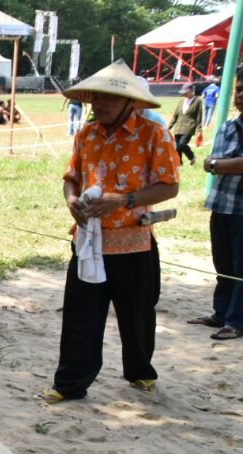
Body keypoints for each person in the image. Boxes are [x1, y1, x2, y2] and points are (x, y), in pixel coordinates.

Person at [42, 61, 179, 403]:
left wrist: (126, 200)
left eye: (108, 99)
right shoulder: (86, 134)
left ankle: (140, 370)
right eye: (95, 99)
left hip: (133, 242)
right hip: (88, 240)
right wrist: (72, 199)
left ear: (130, 102)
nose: (99, 105)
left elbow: (169, 187)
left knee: (137, 314)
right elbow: (72, 177)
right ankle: (70, 383)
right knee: (80, 316)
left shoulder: (153, 134)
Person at [196, 79, 243, 341]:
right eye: (239, 90)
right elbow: (208, 162)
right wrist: (221, 163)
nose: (241, 96)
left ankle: (236, 321)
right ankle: (221, 313)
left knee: (240, 267)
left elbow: (217, 163)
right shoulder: (227, 126)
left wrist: (219, 164)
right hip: (223, 205)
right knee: (223, 264)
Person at [170, 83, 203, 165]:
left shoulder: (198, 101)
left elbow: (199, 116)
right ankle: (179, 162)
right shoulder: (181, 101)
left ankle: (192, 157)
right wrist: (169, 127)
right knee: (176, 146)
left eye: (186, 92)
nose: (184, 94)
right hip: (178, 127)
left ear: (192, 91)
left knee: (182, 144)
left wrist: (199, 130)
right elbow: (175, 115)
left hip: (189, 127)